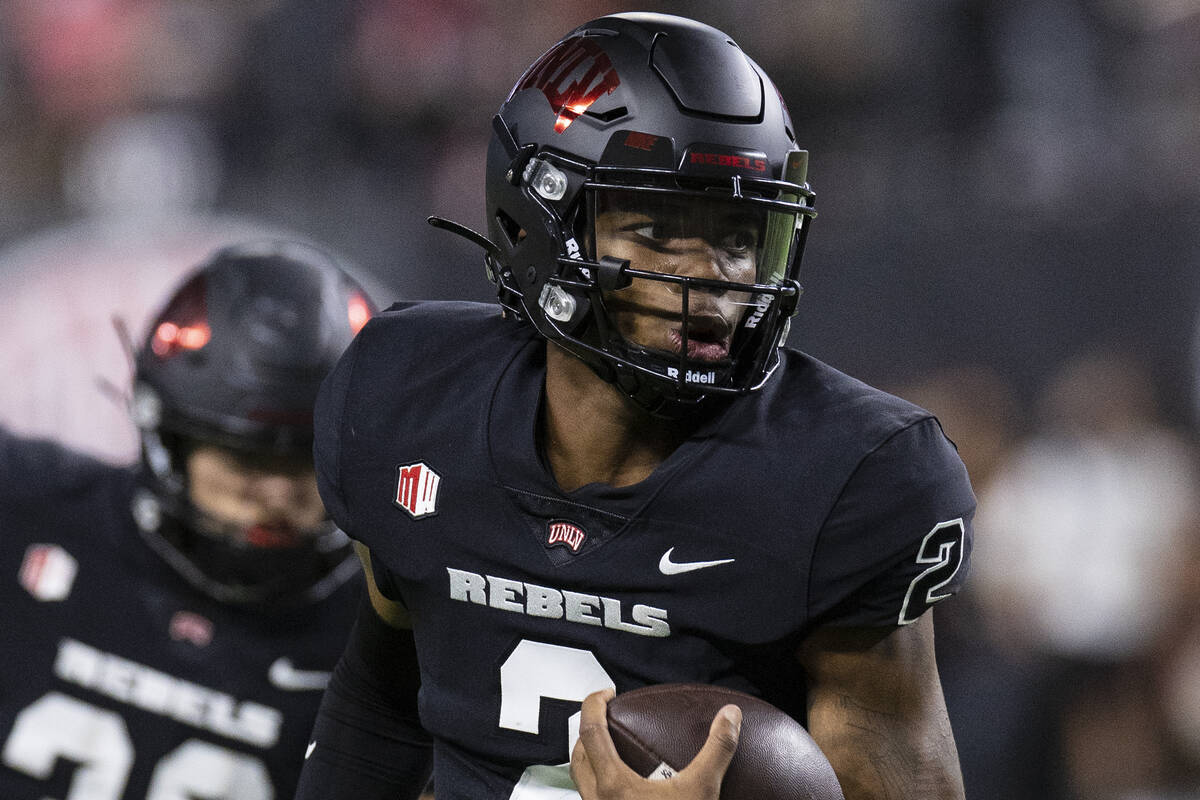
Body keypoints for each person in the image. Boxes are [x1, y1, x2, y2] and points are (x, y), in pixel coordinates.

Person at [296, 12, 974, 800]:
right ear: (539, 218)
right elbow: (379, 709)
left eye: (740, 237)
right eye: (658, 228)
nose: (714, 277)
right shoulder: (411, 394)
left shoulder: (848, 480)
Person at [0, 241, 374, 800]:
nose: (276, 495)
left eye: (306, 462)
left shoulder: (389, 633)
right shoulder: (28, 509)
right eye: (246, 458)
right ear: (170, 441)